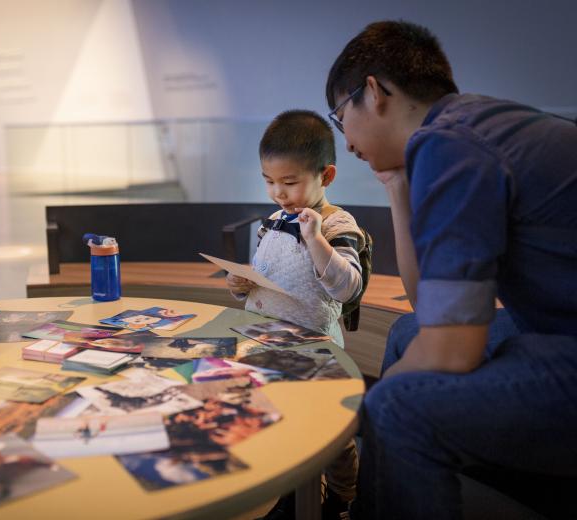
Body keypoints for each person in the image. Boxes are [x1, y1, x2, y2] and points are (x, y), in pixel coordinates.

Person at [325, 20, 577, 519]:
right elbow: (432, 312)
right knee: (405, 331)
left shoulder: (451, 146)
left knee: (392, 408)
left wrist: (362, 410)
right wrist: (397, 187)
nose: (348, 142)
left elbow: (452, 349)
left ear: (373, 92)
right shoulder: (470, 126)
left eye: (339, 117)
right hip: (554, 328)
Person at [226, 110, 365, 516]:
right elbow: (266, 275)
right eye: (269, 182)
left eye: (289, 183)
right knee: (271, 415)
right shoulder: (272, 221)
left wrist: (314, 236)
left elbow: (348, 287)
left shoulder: (338, 224)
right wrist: (241, 285)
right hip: (263, 341)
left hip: (315, 350)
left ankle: (345, 496)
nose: (278, 194)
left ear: (327, 176)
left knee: (330, 434)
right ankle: (281, 486)